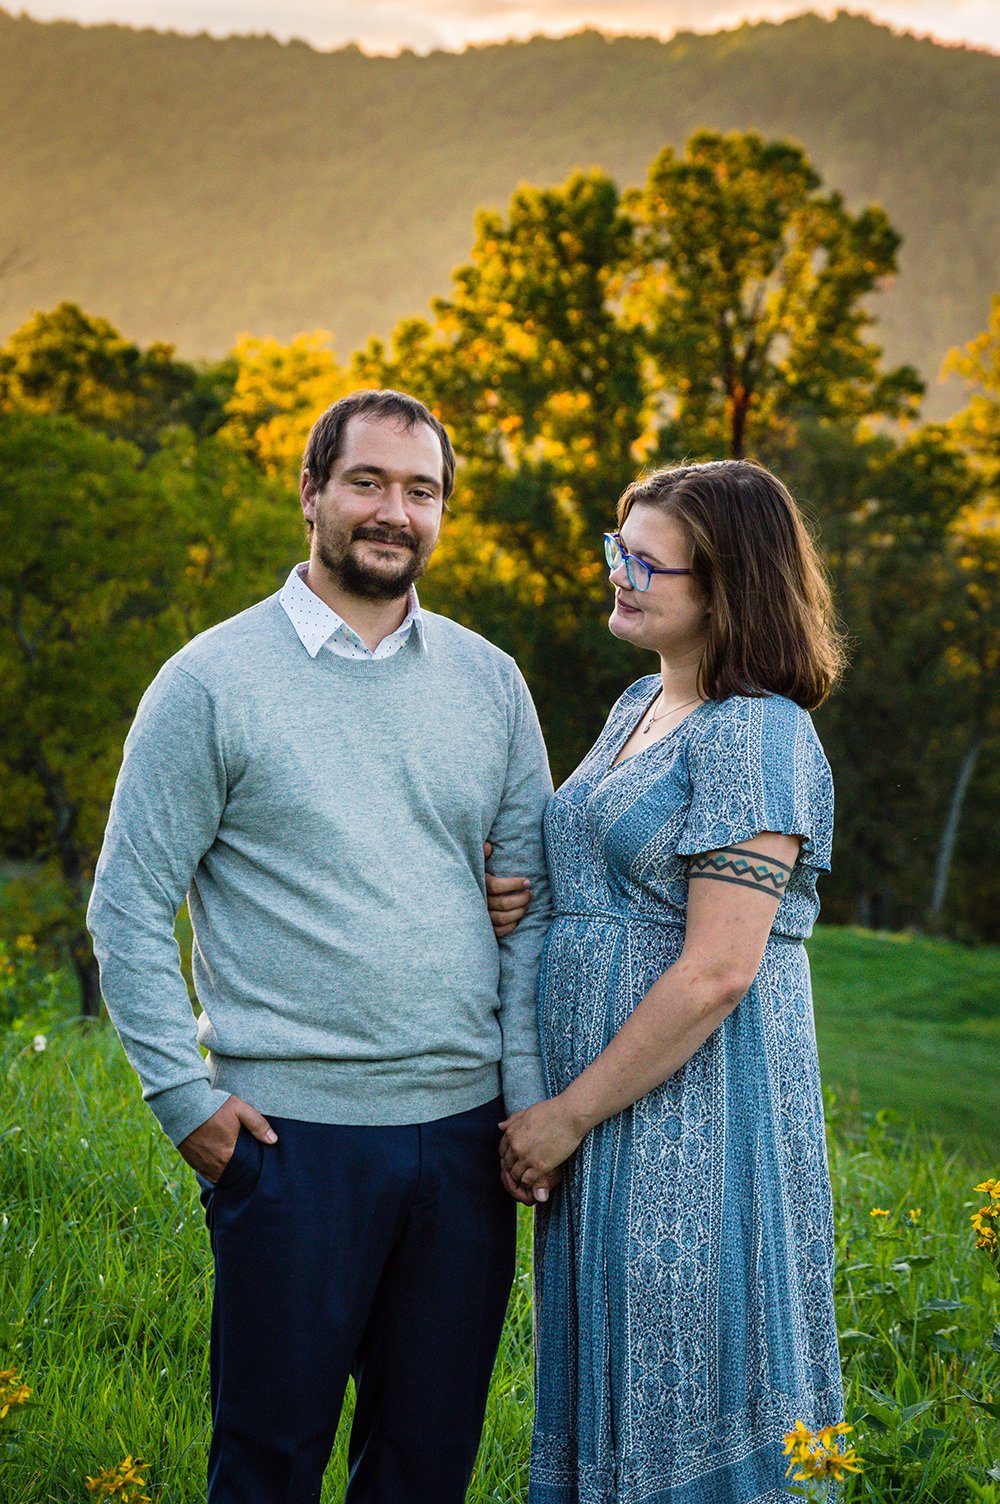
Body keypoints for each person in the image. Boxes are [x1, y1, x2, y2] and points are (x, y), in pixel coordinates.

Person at [87, 388, 555, 1504]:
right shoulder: (210, 680)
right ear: (311, 492)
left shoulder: (489, 683)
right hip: (291, 1144)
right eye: (368, 482)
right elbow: (127, 903)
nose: (394, 510)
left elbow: (533, 909)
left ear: (442, 510)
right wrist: (183, 1102)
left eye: (421, 489)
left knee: (423, 1468)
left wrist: (529, 1101)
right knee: (268, 1463)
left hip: (464, 1144)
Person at [488, 460, 846, 1503]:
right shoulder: (641, 700)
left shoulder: (757, 731)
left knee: (686, 1392)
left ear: (729, 584)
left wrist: (564, 1114)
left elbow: (718, 970)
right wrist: (519, 894)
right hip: (612, 1121)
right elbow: (589, 864)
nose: (622, 574)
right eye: (618, 550)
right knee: (613, 1381)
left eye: (650, 562)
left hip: (695, 1123)